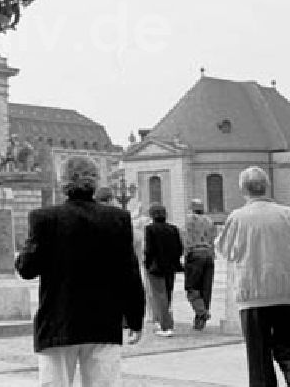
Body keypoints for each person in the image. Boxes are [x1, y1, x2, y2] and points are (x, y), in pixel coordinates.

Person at [16, 157, 144, 387]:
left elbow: (27, 269)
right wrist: (135, 319)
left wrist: (29, 247)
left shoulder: (44, 218)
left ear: (62, 181)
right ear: (95, 181)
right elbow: (130, 274)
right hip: (104, 322)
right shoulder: (117, 218)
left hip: (58, 321)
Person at [216, 166, 290, 387]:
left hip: (253, 297)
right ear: (268, 186)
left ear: (243, 189)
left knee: (259, 359)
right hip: (288, 295)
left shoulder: (237, 218)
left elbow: (224, 250)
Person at [144, 203, 183, 337]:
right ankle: (164, 320)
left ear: (152, 215)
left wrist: (147, 264)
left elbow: (149, 250)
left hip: (156, 267)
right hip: (170, 267)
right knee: (168, 294)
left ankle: (165, 326)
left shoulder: (150, 229)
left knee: (159, 296)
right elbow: (179, 248)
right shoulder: (173, 229)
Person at [183, 199, 216, 330]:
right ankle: (200, 321)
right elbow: (213, 239)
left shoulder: (190, 219)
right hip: (209, 255)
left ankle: (202, 312)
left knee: (192, 287)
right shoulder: (210, 221)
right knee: (205, 289)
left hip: (195, 254)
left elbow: (187, 239)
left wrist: (186, 255)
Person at [131, 203, 156, 327]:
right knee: (149, 289)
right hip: (145, 263)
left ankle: (149, 314)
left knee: (146, 289)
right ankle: (151, 314)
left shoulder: (138, 233)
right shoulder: (146, 230)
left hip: (142, 263)